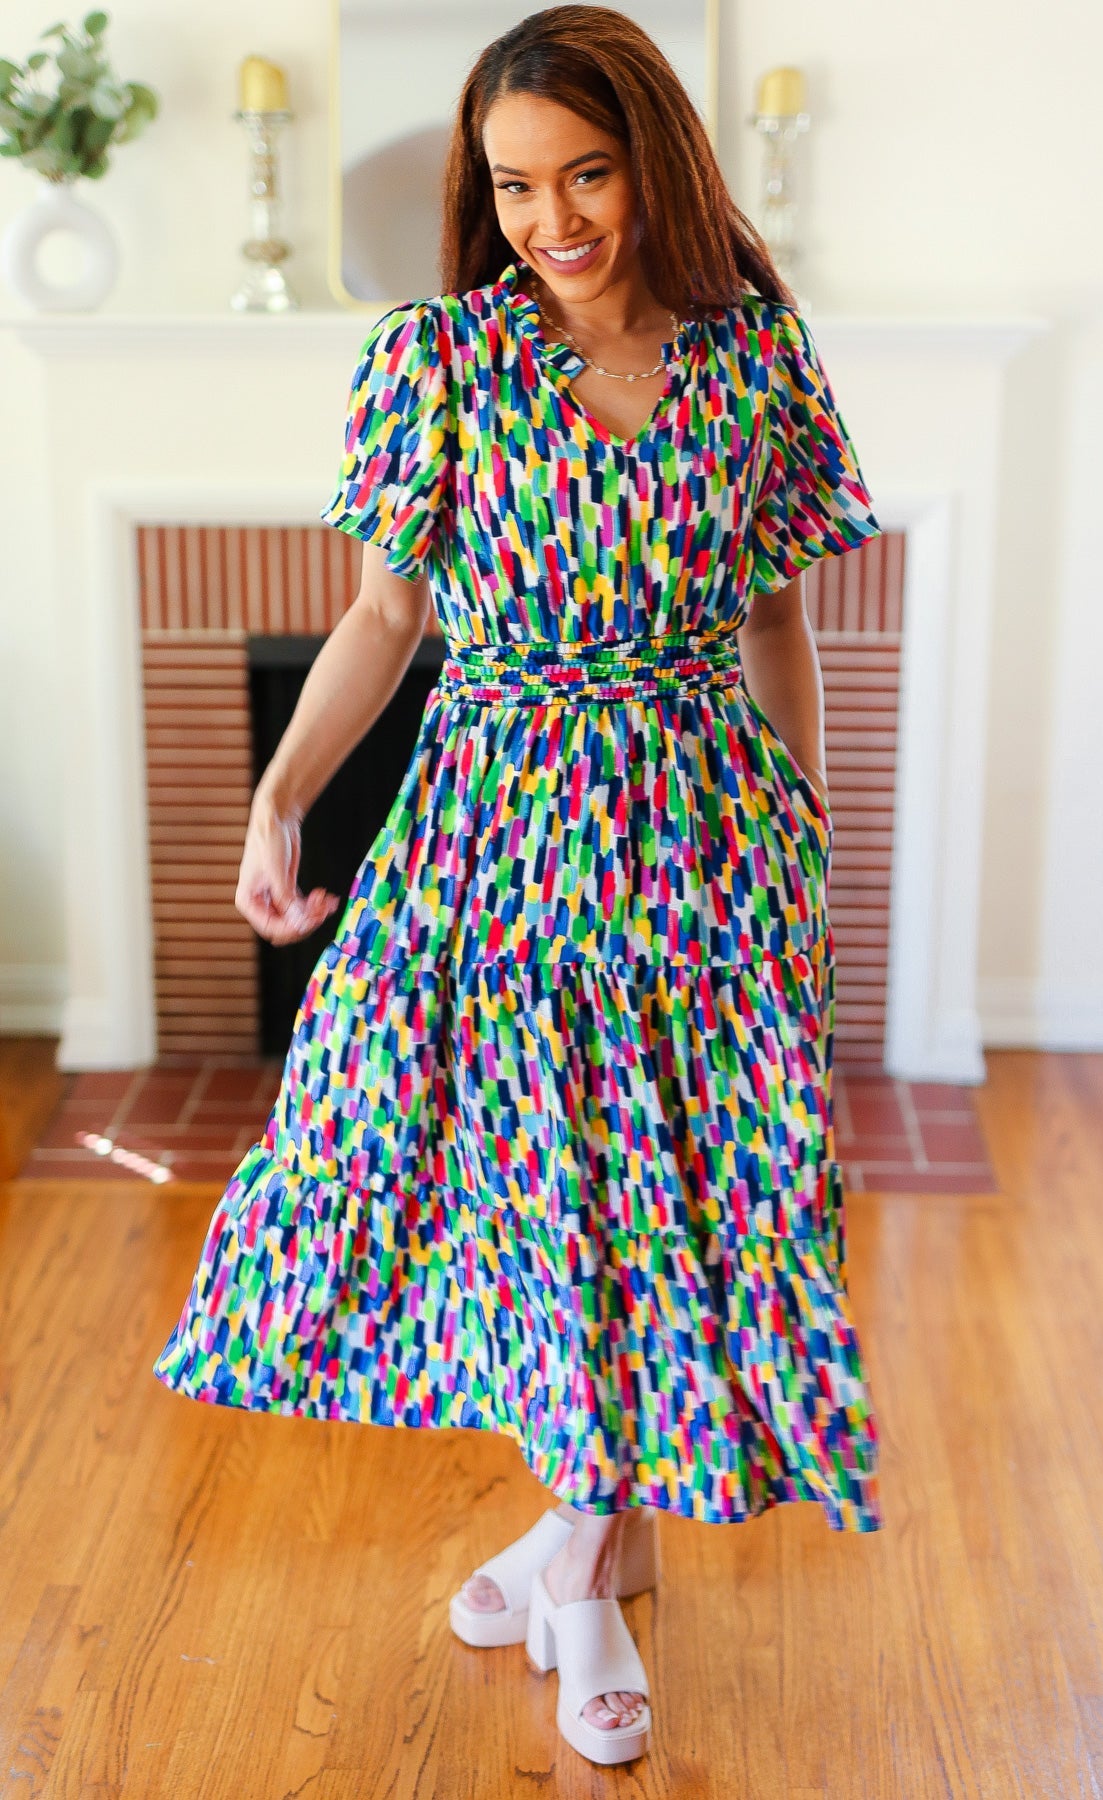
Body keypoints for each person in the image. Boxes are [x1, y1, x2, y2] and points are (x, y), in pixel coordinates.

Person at [152, 3, 884, 1769]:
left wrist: (806, 828)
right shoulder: (440, 361)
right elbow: (383, 616)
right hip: (500, 846)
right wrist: (278, 800)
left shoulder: (757, 361)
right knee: (539, 1197)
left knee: (681, 1198)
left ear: (658, 164)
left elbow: (778, 618)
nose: (554, 219)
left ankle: (580, 1549)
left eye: (589, 174)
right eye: (514, 185)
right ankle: (583, 1570)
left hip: (702, 842)